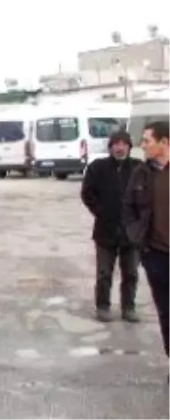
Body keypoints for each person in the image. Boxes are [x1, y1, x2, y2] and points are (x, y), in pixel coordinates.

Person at [124, 120, 170, 383]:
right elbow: (128, 207)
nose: (141, 145)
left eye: (147, 141)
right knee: (166, 313)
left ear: (165, 143)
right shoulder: (141, 173)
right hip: (157, 255)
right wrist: (136, 237)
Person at [82, 130, 141, 323]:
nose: (120, 147)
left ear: (130, 147)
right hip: (105, 231)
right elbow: (87, 193)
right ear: (110, 147)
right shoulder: (97, 167)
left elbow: (148, 196)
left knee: (131, 273)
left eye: (124, 144)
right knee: (104, 273)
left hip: (131, 233)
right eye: (116, 144)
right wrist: (101, 211)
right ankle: (103, 307)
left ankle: (128, 308)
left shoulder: (138, 169)